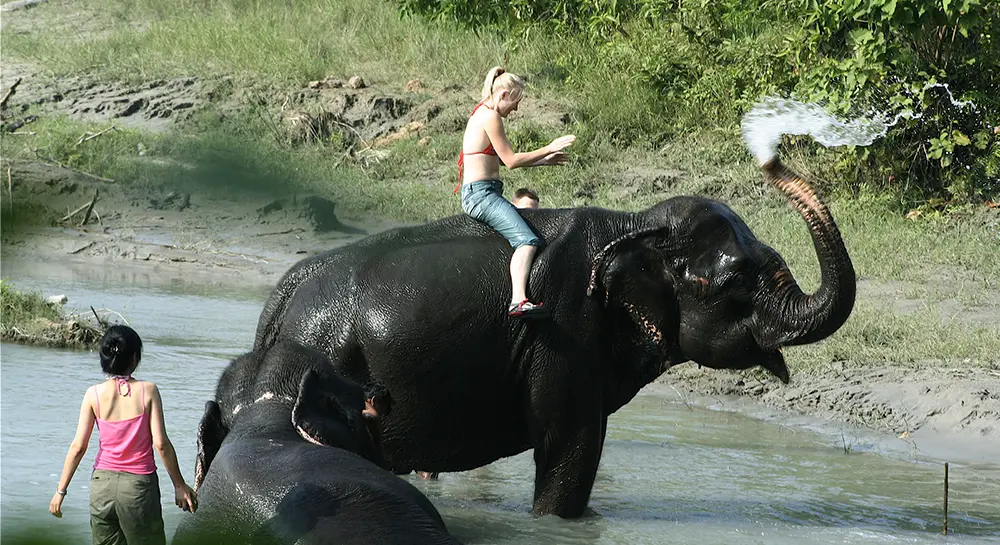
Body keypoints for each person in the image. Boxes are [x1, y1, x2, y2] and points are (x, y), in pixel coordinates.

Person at [49, 325, 197, 544]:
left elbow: (78, 447)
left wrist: (60, 492)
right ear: (135, 357)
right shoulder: (148, 391)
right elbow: (161, 444)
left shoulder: (93, 394)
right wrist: (179, 485)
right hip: (138, 488)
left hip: (101, 486)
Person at [456, 66, 575, 319]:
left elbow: (497, 161)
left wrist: (543, 161)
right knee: (527, 240)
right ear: (503, 95)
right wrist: (548, 147)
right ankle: (518, 300)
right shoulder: (490, 116)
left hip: (483, 192)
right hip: (481, 196)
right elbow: (510, 160)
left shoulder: (480, 114)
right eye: (516, 102)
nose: (516, 109)